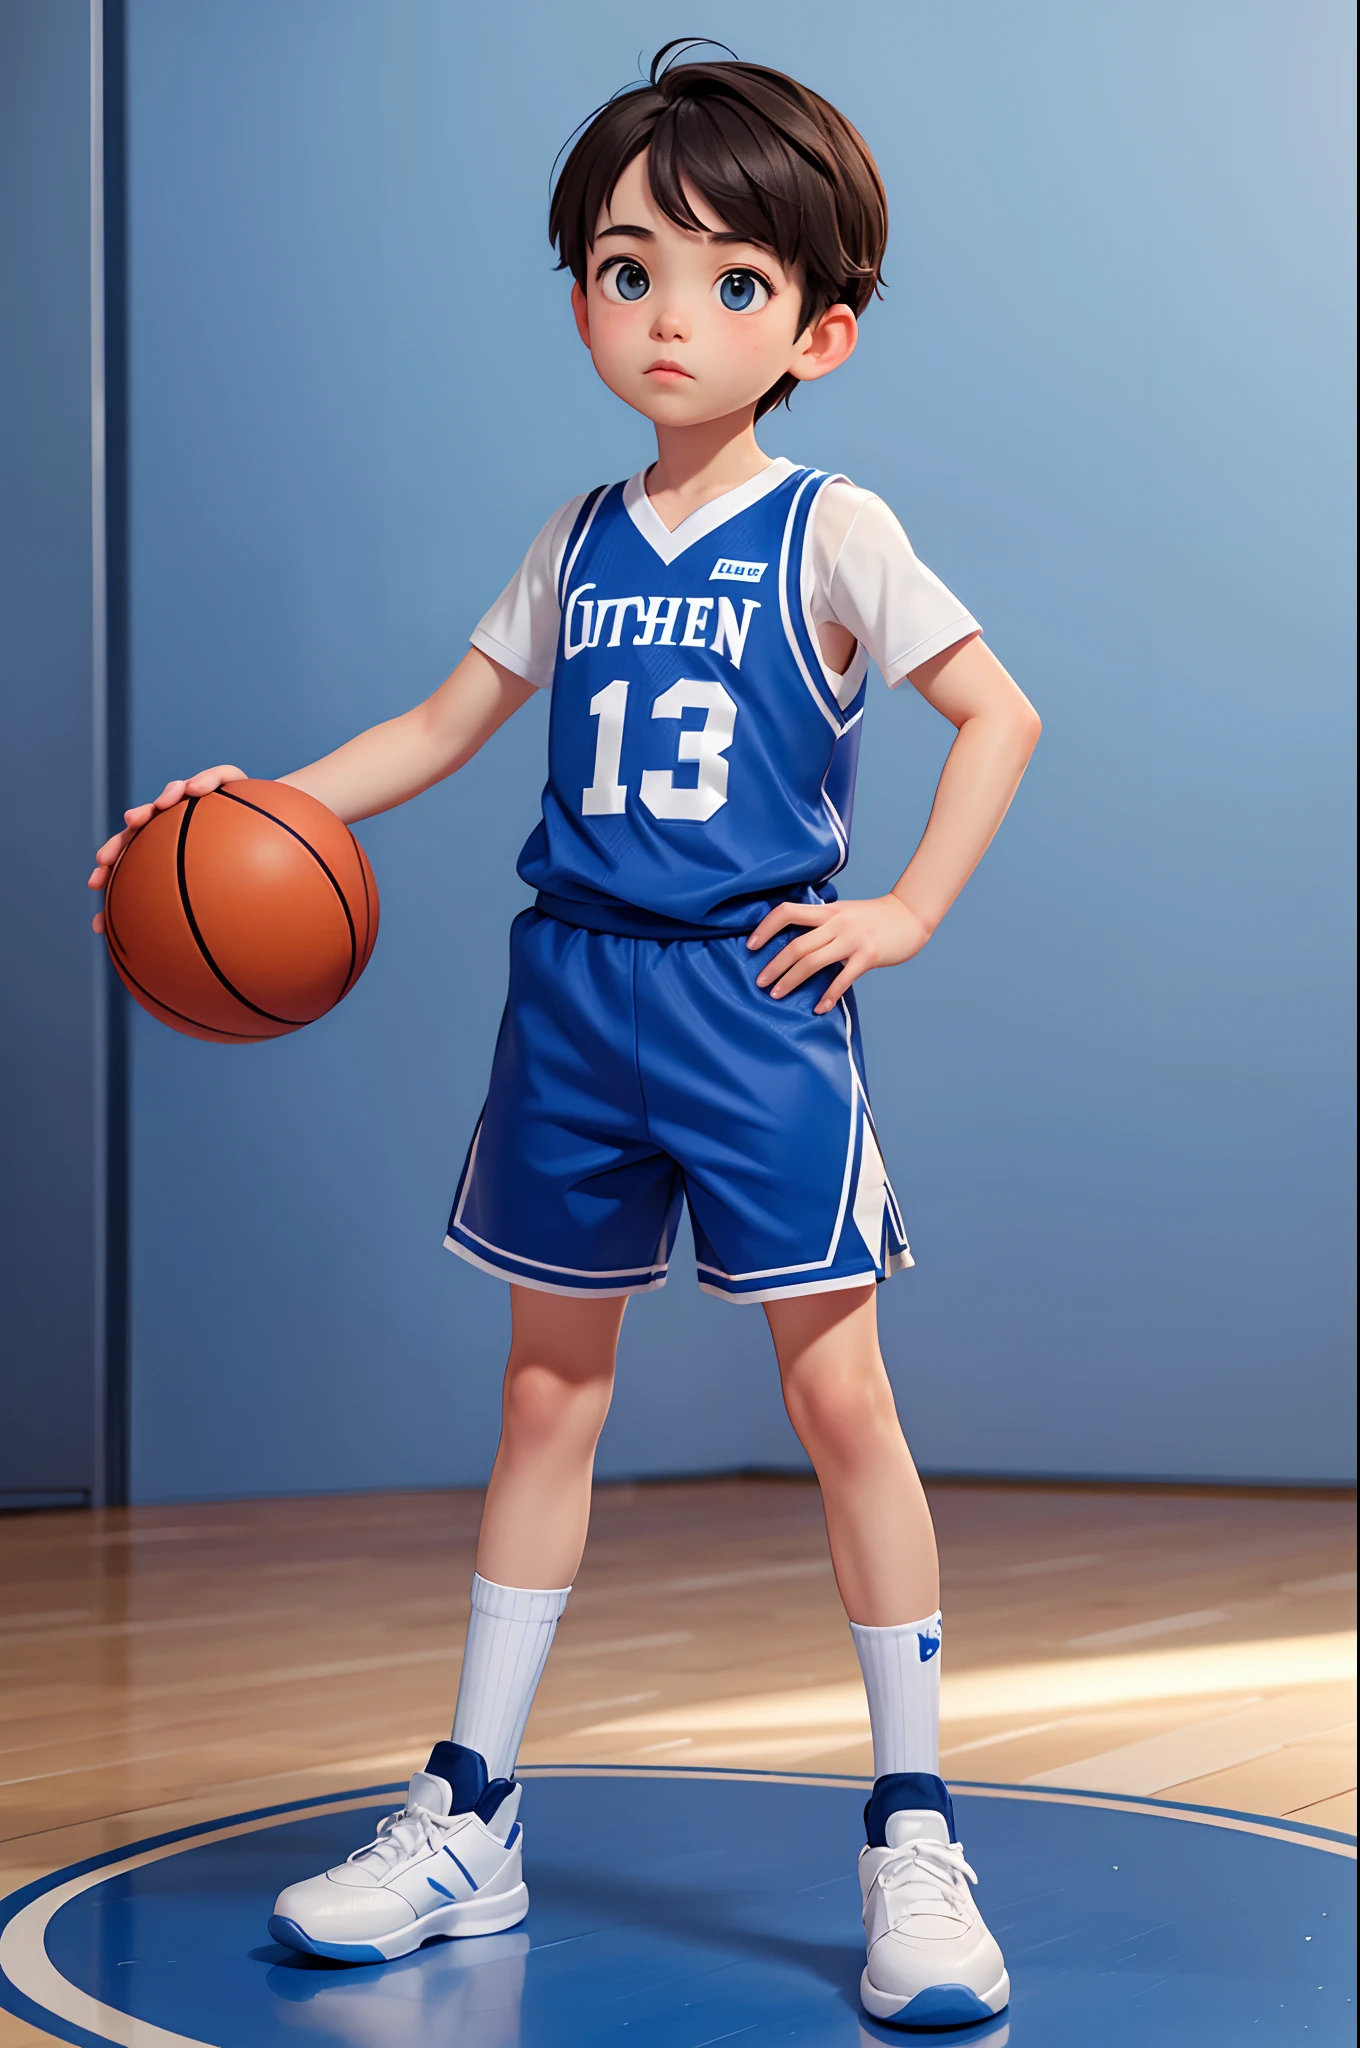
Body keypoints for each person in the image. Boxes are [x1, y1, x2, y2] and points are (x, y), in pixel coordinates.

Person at [90, 44, 1039, 2029]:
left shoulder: (833, 530)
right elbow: (439, 731)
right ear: (583, 294)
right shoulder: (575, 534)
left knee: (840, 1403)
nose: (667, 318)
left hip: (751, 1007)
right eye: (626, 272)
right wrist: (249, 812)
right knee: (543, 1398)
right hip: (574, 998)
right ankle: (468, 1810)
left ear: (817, 327)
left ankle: (912, 1830)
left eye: (725, 282)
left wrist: (905, 909)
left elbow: (997, 714)